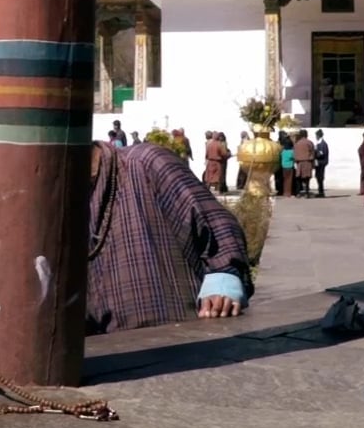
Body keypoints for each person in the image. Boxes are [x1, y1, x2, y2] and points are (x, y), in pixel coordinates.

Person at [86, 138, 253, 334]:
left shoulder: (145, 163)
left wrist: (223, 279)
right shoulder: (56, 197)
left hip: (182, 336)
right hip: (108, 347)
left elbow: (216, 224)